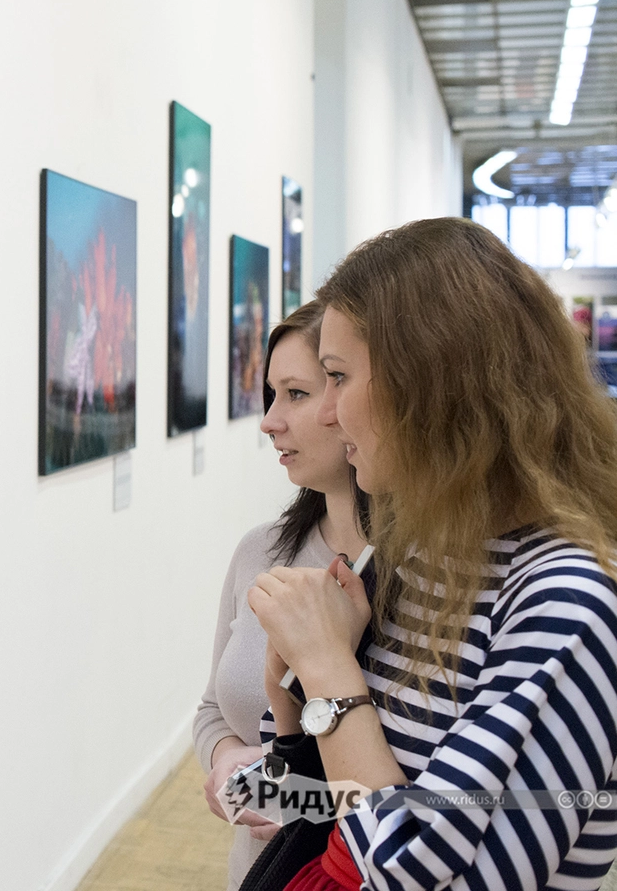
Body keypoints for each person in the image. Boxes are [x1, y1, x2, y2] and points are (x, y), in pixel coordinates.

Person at [248, 217, 617, 889]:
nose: (325, 413)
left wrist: (327, 671)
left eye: (336, 378)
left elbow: (417, 873)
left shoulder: (566, 602)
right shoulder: (421, 554)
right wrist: (291, 697)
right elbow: (299, 805)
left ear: (426, 385)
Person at [195, 300, 369, 890]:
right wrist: (224, 757)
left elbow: (425, 807)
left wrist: (303, 802)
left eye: (296, 394)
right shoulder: (260, 551)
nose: (270, 421)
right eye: (272, 395)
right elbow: (212, 710)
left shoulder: (418, 582)